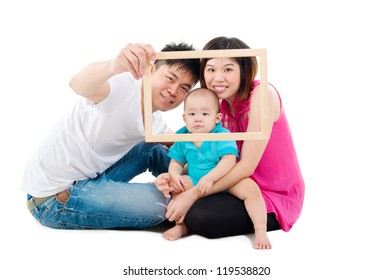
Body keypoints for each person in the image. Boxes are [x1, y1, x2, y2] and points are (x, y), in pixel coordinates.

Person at [21, 42, 200, 229]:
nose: (174, 91)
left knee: (155, 149)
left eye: (184, 88)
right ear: (152, 69)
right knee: (162, 206)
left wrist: (213, 169)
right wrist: (114, 65)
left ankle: (190, 187)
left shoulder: (155, 120)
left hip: (90, 177)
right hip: (53, 197)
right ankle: (180, 195)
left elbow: (181, 144)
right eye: (171, 78)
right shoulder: (123, 86)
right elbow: (77, 84)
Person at [156, 36, 305, 247]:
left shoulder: (262, 94)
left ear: (244, 71)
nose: (218, 78)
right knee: (180, 198)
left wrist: (192, 195)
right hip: (230, 183)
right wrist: (176, 177)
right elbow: (208, 157)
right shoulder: (218, 108)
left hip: (269, 193)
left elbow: (246, 166)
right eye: (210, 70)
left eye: (228, 69)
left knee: (201, 216)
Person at [156, 88, 272, 249]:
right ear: (184, 117)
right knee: (178, 186)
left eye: (205, 114)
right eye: (192, 114)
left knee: (251, 189)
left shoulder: (222, 134)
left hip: (224, 179)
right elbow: (176, 162)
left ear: (217, 118)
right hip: (196, 179)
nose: (198, 119)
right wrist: (174, 174)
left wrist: (211, 178)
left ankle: (260, 229)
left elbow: (229, 160)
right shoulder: (182, 136)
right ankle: (182, 225)